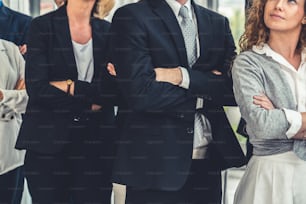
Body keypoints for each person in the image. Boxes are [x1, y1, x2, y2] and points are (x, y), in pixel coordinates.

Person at [109, 0, 246, 203]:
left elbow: (233, 91)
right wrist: (206, 89)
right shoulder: (131, 16)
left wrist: (181, 76)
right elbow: (141, 94)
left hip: (208, 163)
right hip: (154, 166)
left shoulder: (217, 23)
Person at [15, 0, 117, 203]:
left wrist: (69, 86)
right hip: (48, 147)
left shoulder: (109, 31)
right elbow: (38, 89)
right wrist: (88, 101)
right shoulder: (42, 26)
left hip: (96, 148)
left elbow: (113, 93)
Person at [232, 0, 306, 203]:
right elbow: (261, 125)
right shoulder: (248, 63)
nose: (279, 5)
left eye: (291, 1)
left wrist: (280, 113)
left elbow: (272, 122)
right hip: (269, 179)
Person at [0, 39, 28, 204]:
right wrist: (13, 96)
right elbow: (21, 98)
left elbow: (31, 99)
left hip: (11, 156)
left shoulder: (10, 49)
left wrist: (4, 96)